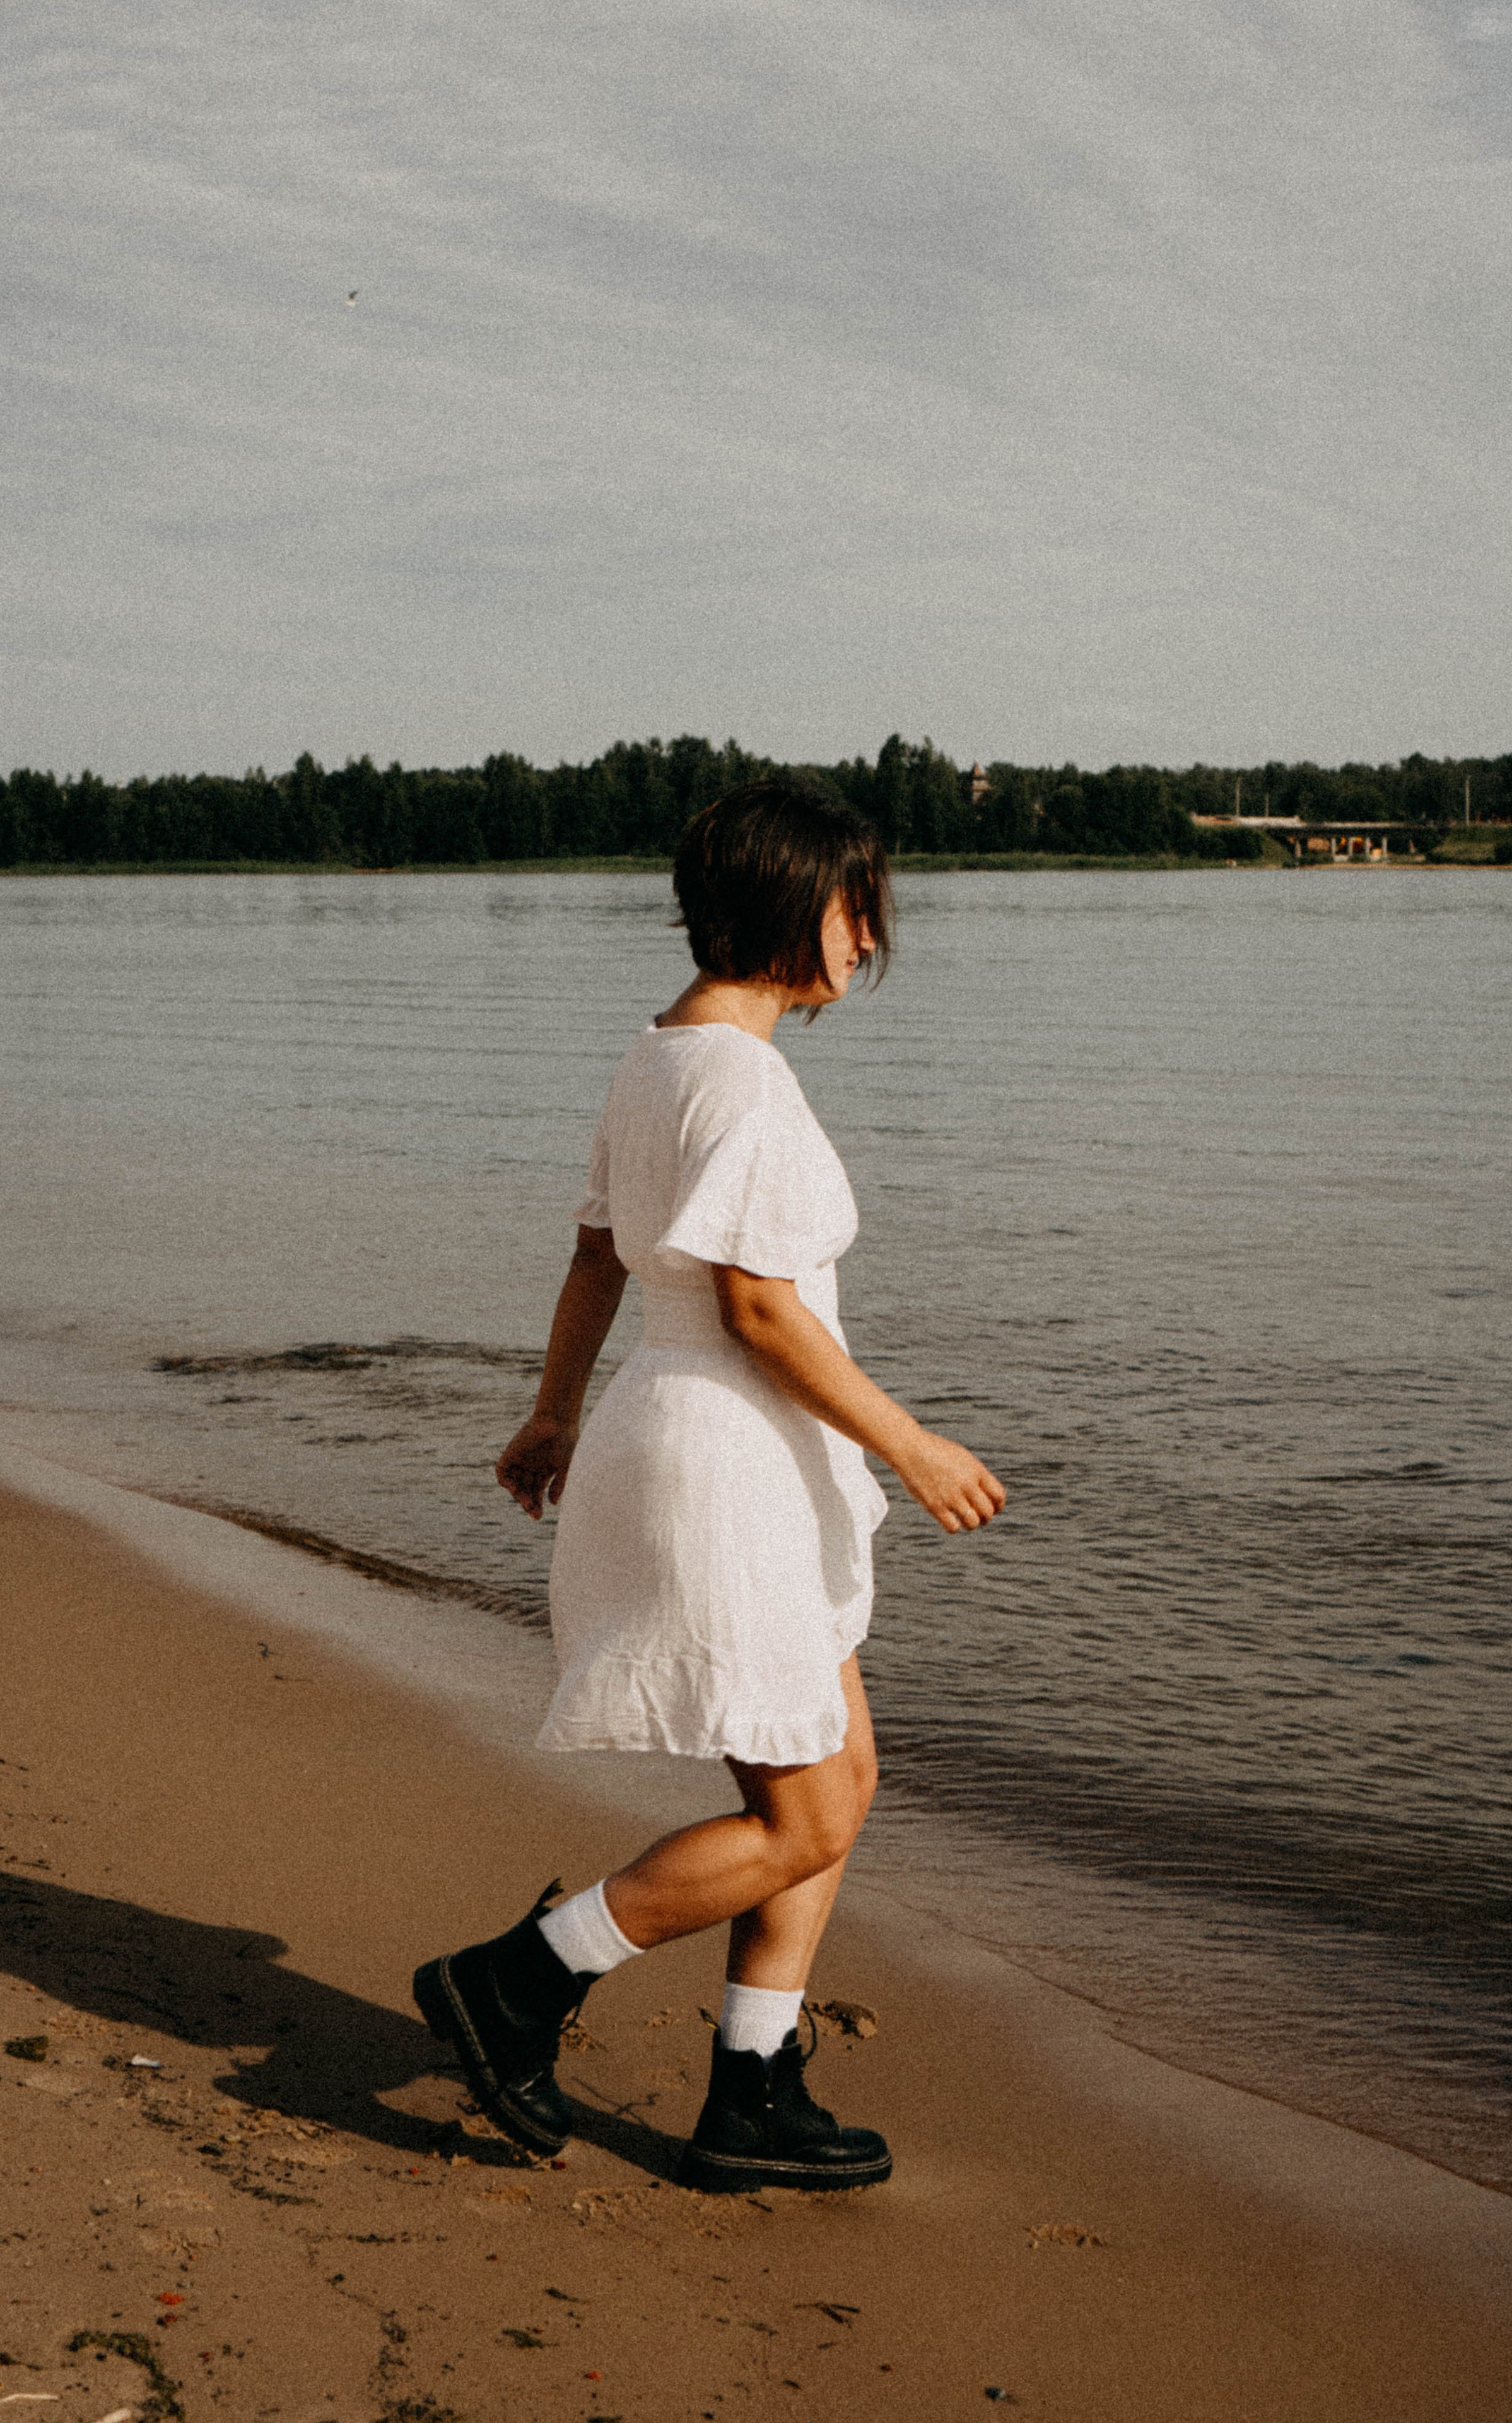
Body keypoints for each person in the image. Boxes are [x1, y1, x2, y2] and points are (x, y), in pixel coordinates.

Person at [414, 773, 1005, 2193]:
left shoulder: (657, 1056)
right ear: (796, 903)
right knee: (801, 1812)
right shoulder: (739, 1082)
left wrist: (554, 1416)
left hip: (692, 1438)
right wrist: (911, 1444)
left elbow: (596, 1256)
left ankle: (750, 2084)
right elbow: (755, 1308)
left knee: (840, 1778)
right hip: (725, 1459)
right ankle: (516, 1982)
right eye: (857, 908)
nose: (868, 940)